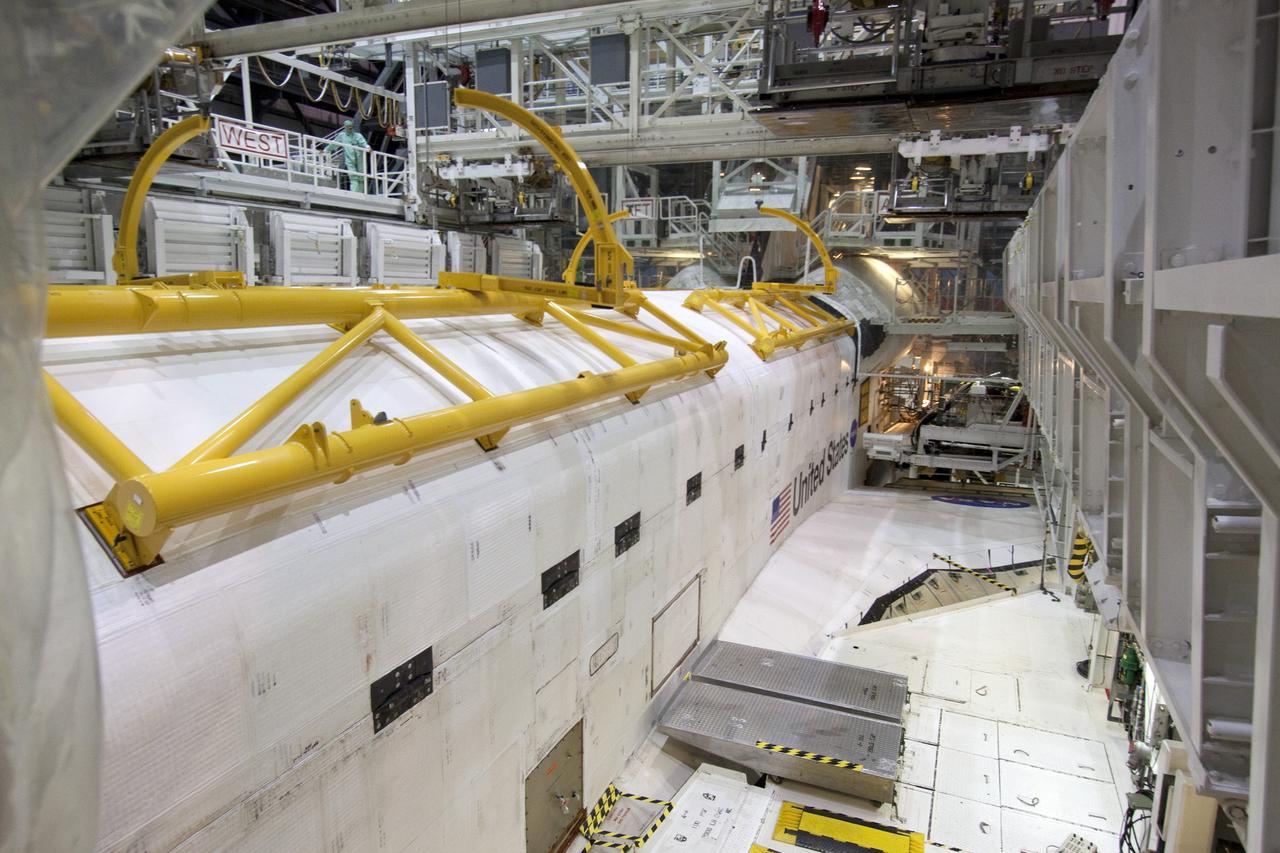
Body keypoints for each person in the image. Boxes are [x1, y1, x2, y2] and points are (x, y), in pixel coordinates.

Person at [326, 119, 370, 192]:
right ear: (345, 127)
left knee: (361, 175)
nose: (350, 128)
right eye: (348, 127)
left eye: (351, 127)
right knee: (353, 176)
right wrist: (326, 150)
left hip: (359, 157)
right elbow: (334, 144)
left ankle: (361, 192)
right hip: (349, 157)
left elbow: (363, 143)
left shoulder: (358, 135)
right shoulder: (342, 135)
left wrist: (368, 147)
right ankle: (355, 193)